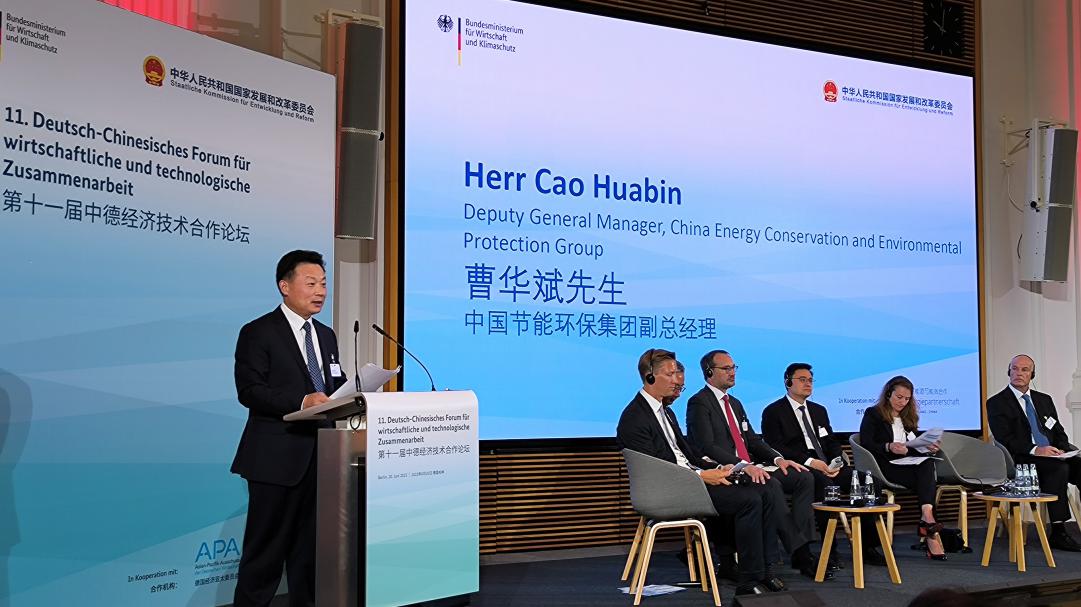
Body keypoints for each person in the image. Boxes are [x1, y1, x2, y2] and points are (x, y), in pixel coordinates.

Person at [231, 250, 348, 607]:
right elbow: (250, 391)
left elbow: (333, 385)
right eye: (311, 283)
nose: (321, 291)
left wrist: (357, 392)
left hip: (321, 458)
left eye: (323, 284)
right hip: (275, 459)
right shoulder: (258, 332)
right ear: (285, 286)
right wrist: (301, 401)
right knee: (264, 555)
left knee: (309, 555)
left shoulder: (326, 335)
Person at [616, 349, 785, 596]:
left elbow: (689, 456)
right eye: (670, 374)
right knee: (748, 499)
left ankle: (765, 569)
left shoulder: (666, 411)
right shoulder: (634, 417)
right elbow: (656, 470)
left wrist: (717, 468)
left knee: (765, 488)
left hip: (689, 479)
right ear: (650, 376)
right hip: (669, 490)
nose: (677, 380)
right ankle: (749, 579)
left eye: (677, 374)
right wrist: (701, 477)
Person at [686, 350, 823, 580]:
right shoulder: (699, 402)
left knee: (803, 477)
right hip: (727, 469)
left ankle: (803, 544)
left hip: (752, 466)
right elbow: (706, 446)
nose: (732, 373)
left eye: (734, 368)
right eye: (726, 368)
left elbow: (752, 440)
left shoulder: (735, 403)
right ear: (709, 372)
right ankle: (799, 551)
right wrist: (742, 465)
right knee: (771, 485)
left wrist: (778, 459)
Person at [760, 363, 884, 566]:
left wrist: (836, 462)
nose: (808, 384)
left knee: (871, 483)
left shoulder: (819, 410)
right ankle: (829, 550)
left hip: (828, 466)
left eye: (810, 380)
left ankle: (867, 547)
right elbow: (775, 446)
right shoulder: (773, 411)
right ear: (788, 382)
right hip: (801, 466)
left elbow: (831, 442)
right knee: (825, 486)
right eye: (802, 380)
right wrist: (811, 462)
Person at [987, 354, 1081, 552]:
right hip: (1022, 460)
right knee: (1059, 469)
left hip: (1053, 456)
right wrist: (1037, 450)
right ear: (1009, 372)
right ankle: (1058, 531)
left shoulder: (1044, 400)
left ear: (1032, 374)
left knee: (1079, 465)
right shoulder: (997, 402)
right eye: (1015, 369)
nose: (1019, 373)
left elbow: (1058, 431)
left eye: (1025, 370)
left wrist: (1062, 449)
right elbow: (1005, 439)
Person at [858, 375, 946, 560]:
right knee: (927, 482)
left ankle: (927, 517)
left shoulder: (908, 417)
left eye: (907, 399)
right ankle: (929, 530)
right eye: (899, 397)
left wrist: (927, 446)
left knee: (928, 464)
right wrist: (888, 446)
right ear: (888, 394)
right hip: (885, 465)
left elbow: (912, 444)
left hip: (906, 464)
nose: (902, 402)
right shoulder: (873, 413)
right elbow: (866, 442)